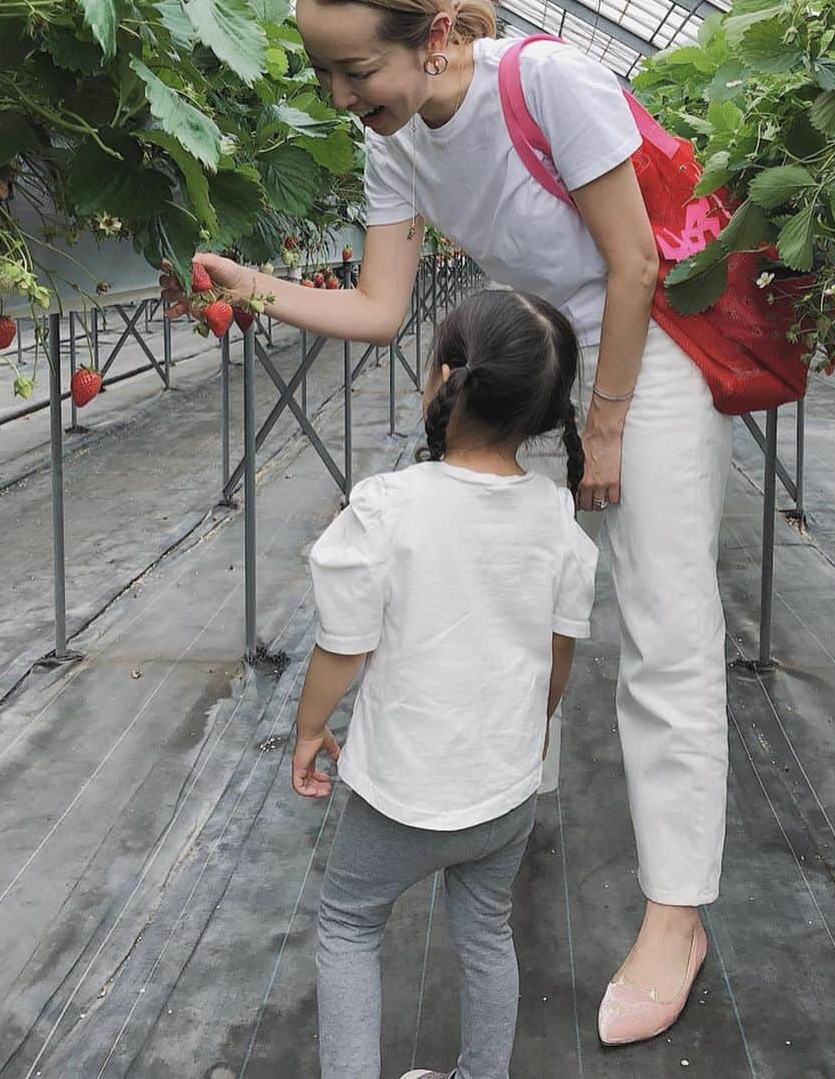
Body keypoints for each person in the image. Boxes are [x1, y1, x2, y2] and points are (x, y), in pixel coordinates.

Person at [160, 0, 732, 1045]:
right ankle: (518, 790)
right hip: (542, 355)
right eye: (325, 72)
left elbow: (630, 267)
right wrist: (249, 285)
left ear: (430, 36)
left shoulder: (548, 80)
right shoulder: (393, 142)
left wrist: (606, 426)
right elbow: (378, 309)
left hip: (639, 354)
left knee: (668, 626)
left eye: (354, 67)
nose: (340, 98)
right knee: (525, 582)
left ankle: (679, 915)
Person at [293, 289, 598, 1079]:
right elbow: (557, 656)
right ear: (542, 414)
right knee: (486, 933)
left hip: (403, 794)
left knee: (351, 923)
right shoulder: (555, 519)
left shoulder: (391, 507)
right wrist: (530, 733)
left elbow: (342, 645)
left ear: (442, 376)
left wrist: (307, 730)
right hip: (502, 794)